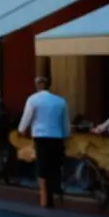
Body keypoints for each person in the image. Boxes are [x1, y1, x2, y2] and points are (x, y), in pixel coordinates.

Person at [17, 76, 70, 208]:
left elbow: (27, 117)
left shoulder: (33, 99)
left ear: (38, 85)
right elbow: (65, 122)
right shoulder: (60, 101)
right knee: (54, 165)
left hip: (41, 136)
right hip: (57, 136)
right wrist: (66, 135)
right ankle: (55, 189)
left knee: (43, 166)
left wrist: (21, 130)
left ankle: (45, 198)